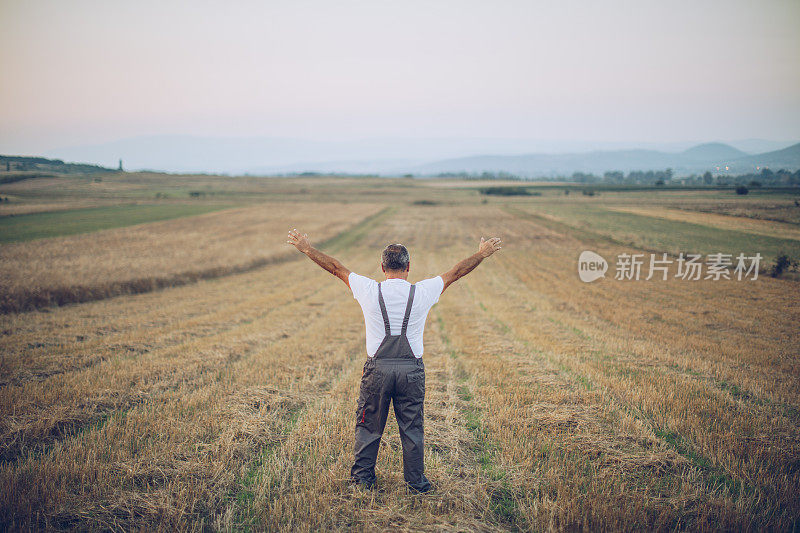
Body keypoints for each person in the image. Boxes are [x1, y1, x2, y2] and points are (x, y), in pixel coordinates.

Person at [286, 229, 502, 493]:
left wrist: (307, 249)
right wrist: (481, 254)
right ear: (408, 267)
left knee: (369, 426)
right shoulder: (422, 291)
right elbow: (456, 272)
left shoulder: (367, 289)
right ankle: (416, 483)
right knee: (412, 429)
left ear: (382, 267)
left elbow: (335, 267)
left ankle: (362, 481)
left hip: (377, 372)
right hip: (412, 372)